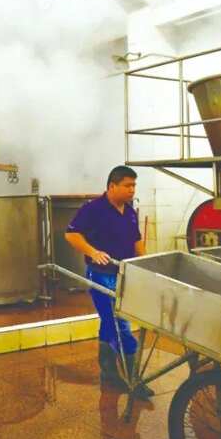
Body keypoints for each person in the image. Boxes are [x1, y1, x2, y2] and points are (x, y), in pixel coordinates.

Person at [65, 165, 153, 398]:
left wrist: (145, 264)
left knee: (109, 322)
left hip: (124, 275)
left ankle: (109, 372)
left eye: (134, 185)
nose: (132, 190)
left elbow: (136, 240)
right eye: (127, 185)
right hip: (101, 275)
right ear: (112, 186)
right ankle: (134, 379)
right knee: (120, 324)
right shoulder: (93, 209)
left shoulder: (130, 212)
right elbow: (71, 234)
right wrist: (92, 252)